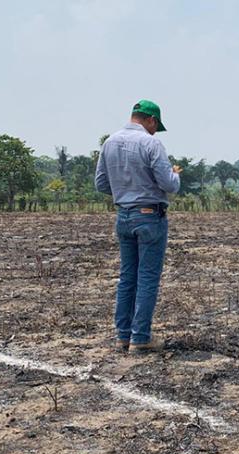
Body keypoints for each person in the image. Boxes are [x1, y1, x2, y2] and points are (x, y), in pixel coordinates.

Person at [95, 99, 181, 353]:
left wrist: (125, 190)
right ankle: (140, 337)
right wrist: (175, 174)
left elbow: (101, 184)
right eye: (156, 125)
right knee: (147, 278)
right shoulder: (151, 143)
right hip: (149, 216)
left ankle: (123, 335)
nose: (155, 130)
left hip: (123, 215)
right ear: (151, 120)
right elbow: (169, 184)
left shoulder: (109, 143)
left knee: (127, 277)